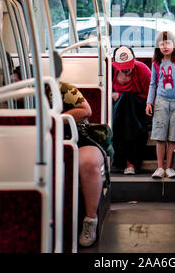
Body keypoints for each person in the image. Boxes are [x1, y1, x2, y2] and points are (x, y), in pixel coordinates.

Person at [13, 66, 103, 248]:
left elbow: (86, 110)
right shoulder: (8, 100)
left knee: (89, 163)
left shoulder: (59, 89)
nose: (14, 86)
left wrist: (54, 118)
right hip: (34, 142)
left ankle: (90, 220)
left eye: (17, 83)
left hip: (76, 136)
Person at [146, 31, 175, 179]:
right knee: (160, 136)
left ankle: (169, 167)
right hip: (161, 102)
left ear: (174, 45)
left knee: (172, 137)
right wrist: (149, 102)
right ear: (158, 47)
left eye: (168, 43)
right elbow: (153, 84)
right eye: (162, 43)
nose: (165, 46)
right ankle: (160, 167)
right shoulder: (157, 64)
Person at [112, 45, 151, 175]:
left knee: (127, 100)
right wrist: (113, 95)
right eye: (123, 67)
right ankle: (129, 162)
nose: (127, 70)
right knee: (124, 105)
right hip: (118, 111)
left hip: (139, 109)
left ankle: (127, 162)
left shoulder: (142, 70)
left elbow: (151, 96)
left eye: (129, 65)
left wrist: (123, 97)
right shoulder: (109, 71)